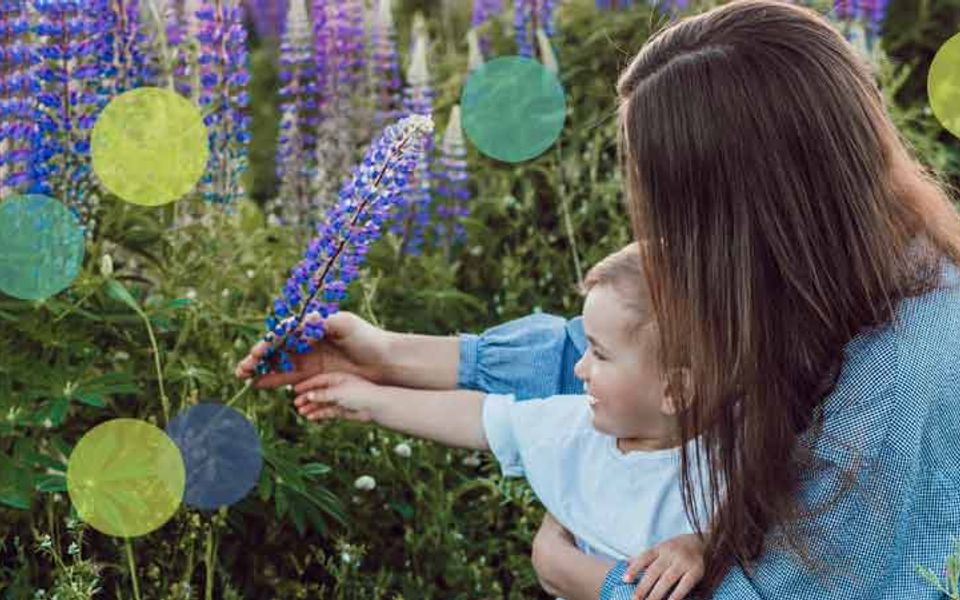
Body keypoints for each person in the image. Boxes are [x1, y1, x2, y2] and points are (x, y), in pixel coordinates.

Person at [238, 1, 960, 597]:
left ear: (745, 215)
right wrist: (388, 356)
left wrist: (583, 577)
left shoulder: (905, 379)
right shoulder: (845, 270)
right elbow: (646, 362)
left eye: (677, 216)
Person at [289, 242, 714, 600]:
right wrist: (369, 400)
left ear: (673, 391)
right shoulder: (575, 428)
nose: (580, 369)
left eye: (599, 354)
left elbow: (759, 532)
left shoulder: (730, 457)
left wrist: (701, 545)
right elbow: (478, 416)